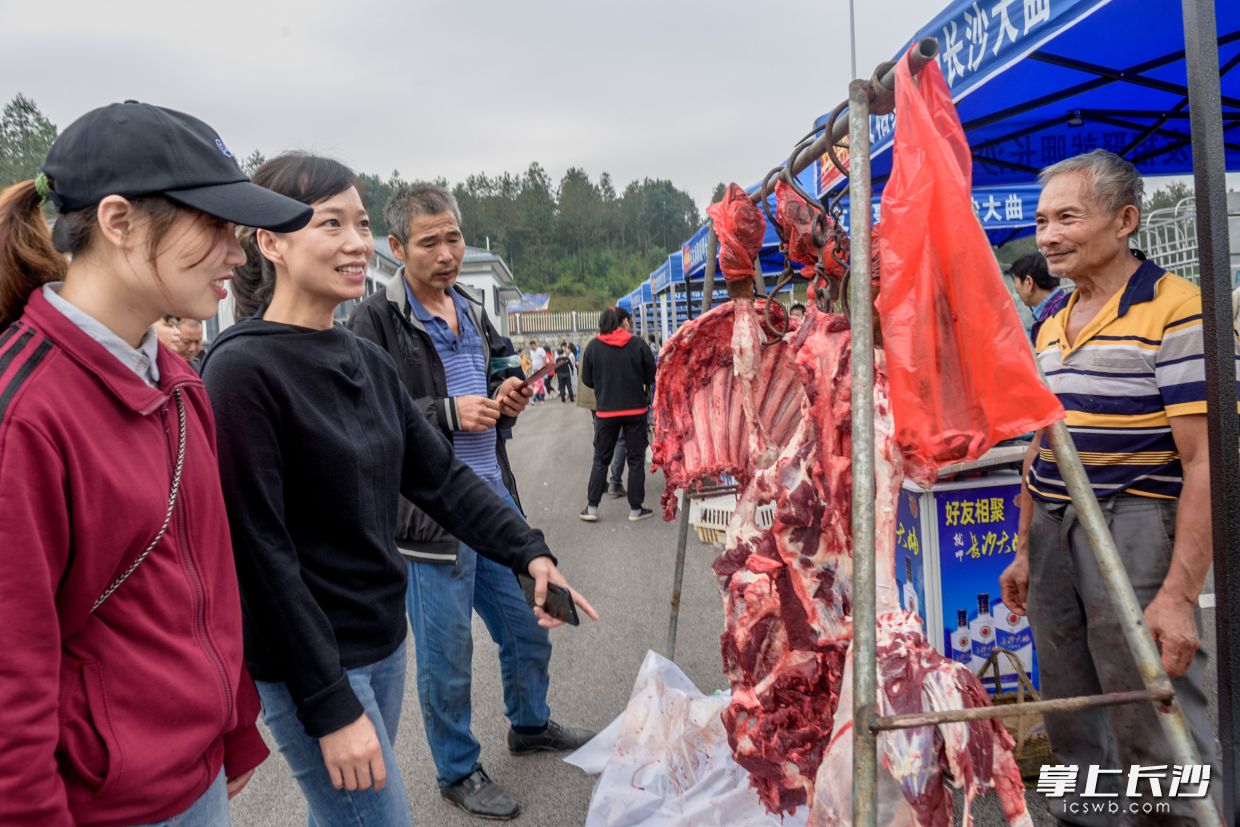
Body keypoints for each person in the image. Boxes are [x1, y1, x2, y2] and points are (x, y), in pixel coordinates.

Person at [204, 156, 597, 826]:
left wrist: (529, 550)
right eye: (331, 224)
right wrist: (329, 704)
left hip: (381, 641)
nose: (356, 243)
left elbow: (440, 478)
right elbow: (260, 557)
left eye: (360, 223)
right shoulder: (241, 370)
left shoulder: (366, 361)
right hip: (314, 662)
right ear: (270, 241)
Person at [0, 101, 314, 826]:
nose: (238, 254)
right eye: (215, 225)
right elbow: (12, 677)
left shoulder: (176, 383)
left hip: (194, 778)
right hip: (100, 803)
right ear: (119, 221)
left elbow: (207, 572)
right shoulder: (25, 415)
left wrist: (234, 725)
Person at [347, 182, 595, 820]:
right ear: (397, 247)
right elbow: (372, 417)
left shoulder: (473, 310)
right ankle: (457, 769)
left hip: (493, 500)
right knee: (447, 656)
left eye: (454, 238)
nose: (446, 253)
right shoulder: (376, 320)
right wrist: (448, 413)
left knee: (530, 626)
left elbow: (500, 373)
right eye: (429, 242)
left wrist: (509, 396)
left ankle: (530, 723)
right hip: (431, 517)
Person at [998, 150, 1224, 825]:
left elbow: (1208, 461)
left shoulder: (1178, 310)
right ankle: (1085, 818)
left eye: (1067, 218)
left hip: (1135, 524)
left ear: (1124, 221)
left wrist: (1178, 595)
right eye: (1042, 220)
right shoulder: (1051, 321)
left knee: (1149, 707)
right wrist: (1024, 548)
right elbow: (1042, 444)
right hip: (1053, 528)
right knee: (1071, 709)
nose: (1047, 236)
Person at [579, 306, 656, 522]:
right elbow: (651, 374)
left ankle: (592, 508)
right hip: (636, 411)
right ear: (622, 322)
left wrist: (604, 386)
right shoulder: (638, 344)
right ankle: (636, 509)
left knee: (601, 459)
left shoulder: (593, 347)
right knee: (636, 459)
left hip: (606, 412)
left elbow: (587, 379)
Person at [1008, 252, 1068, 345]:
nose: (1016, 289)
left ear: (1029, 282)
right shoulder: (1065, 304)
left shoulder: (1056, 315)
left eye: (1015, 281)